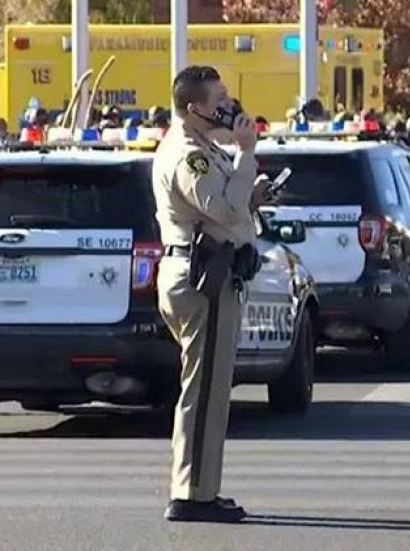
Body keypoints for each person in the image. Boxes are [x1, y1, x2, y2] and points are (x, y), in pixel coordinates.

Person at [152, 65, 269, 523]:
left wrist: (249, 190)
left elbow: (229, 205)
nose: (229, 105)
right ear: (195, 108)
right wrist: (245, 155)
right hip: (202, 276)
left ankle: (203, 487)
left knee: (213, 388)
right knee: (202, 389)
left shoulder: (206, 149)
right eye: (219, 98)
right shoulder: (189, 154)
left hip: (211, 271)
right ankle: (190, 494)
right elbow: (219, 206)